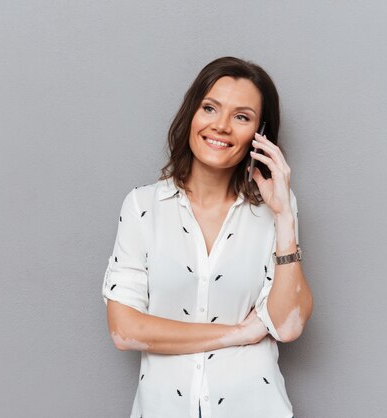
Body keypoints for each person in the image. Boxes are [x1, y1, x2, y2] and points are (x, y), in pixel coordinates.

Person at [101, 56, 313, 418]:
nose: (221, 126)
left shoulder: (275, 210)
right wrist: (239, 334)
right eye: (210, 108)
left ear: (259, 133)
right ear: (192, 114)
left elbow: (287, 325)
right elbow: (125, 329)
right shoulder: (142, 206)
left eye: (241, 117)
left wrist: (283, 217)